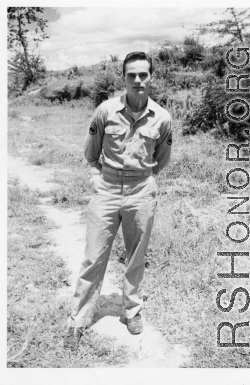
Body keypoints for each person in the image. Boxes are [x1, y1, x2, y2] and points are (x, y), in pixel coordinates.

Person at [64, 52, 173, 351]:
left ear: (151, 77)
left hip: (142, 190)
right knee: (93, 256)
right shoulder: (105, 111)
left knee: (136, 256)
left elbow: (160, 160)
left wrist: (141, 181)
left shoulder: (162, 118)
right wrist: (102, 179)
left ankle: (133, 311)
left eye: (143, 75)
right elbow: (91, 154)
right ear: (123, 78)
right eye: (131, 75)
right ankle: (78, 320)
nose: (138, 80)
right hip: (107, 189)